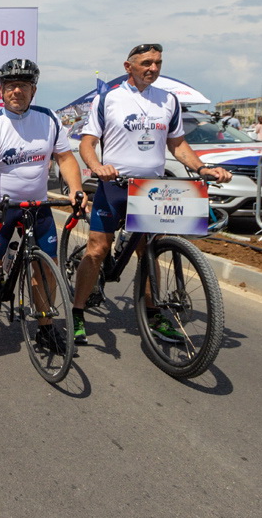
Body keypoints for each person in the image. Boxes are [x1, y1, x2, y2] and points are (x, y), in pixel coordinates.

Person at [71, 43, 232, 345]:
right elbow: (87, 143)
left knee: (150, 251)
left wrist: (202, 169)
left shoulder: (168, 101)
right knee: (96, 250)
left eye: (158, 63)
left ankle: (154, 313)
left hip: (152, 190)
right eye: (146, 63)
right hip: (115, 186)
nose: (153, 68)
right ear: (128, 66)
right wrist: (97, 167)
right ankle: (77, 311)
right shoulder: (108, 99)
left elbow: (178, 145)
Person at [0, 59, 86, 361]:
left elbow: (66, 160)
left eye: (24, 85)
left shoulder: (49, 119)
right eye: (11, 86)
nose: (17, 90)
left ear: (33, 90)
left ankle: (45, 326)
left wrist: (76, 189)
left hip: (38, 207)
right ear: (1, 91)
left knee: (45, 265)